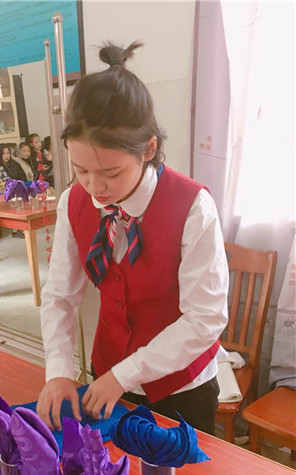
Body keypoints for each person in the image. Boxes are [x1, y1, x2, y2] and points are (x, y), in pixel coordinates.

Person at [37, 42, 229, 436]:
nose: (95, 187)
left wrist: (124, 375)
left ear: (149, 149)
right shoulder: (74, 202)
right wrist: (57, 370)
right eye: (80, 170)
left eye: (110, 173)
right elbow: (59, 296)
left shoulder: (193, 207)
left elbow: (204, 319)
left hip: (181, 387)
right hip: (107, 377)